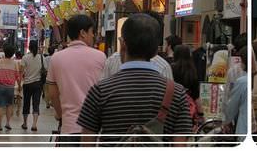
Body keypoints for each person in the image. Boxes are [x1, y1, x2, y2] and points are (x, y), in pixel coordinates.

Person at [77, 14, 192, 143]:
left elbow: (87, 142)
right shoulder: (177, 93)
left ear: (123, 44)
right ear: (155, 51)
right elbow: (180, 143)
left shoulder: (100, 91)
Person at [46, 15, 106, 142]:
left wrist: (61, 114)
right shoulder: (100, 57)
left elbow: (52, 94)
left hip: (69, 126)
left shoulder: (56, 58)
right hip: (94, 129)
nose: (93, 36)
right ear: (83, 33)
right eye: (92, 32)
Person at [171, 45, 203, 128]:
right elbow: (196, 96)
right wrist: (201, 114)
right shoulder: (192, 71)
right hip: (188, 110)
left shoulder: (171, 69)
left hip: (172, 105)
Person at [0, 44, 21, 131]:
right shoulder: (15, 63)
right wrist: (20, 86)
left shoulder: (0, 61)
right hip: (10, 87)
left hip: (0, 86)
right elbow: (17, 76)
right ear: (13, 53)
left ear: (4, 52)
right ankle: (8, 123)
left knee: (0, 106)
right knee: (9, 105)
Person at [223, 46, 248, 138]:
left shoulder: (241, 80)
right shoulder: (255, 75)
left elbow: (230, 101)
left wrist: (227, 120)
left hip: (241, 118)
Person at [20, 40, 44, 131]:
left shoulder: (25, 57)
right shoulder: (41, 57)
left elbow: (21, 71)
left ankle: (25, 123)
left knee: (26, 103)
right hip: (37, 84)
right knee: (36, 104)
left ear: (29, 47)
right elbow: (45, 69)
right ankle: (34, 124)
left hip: (27, 83)